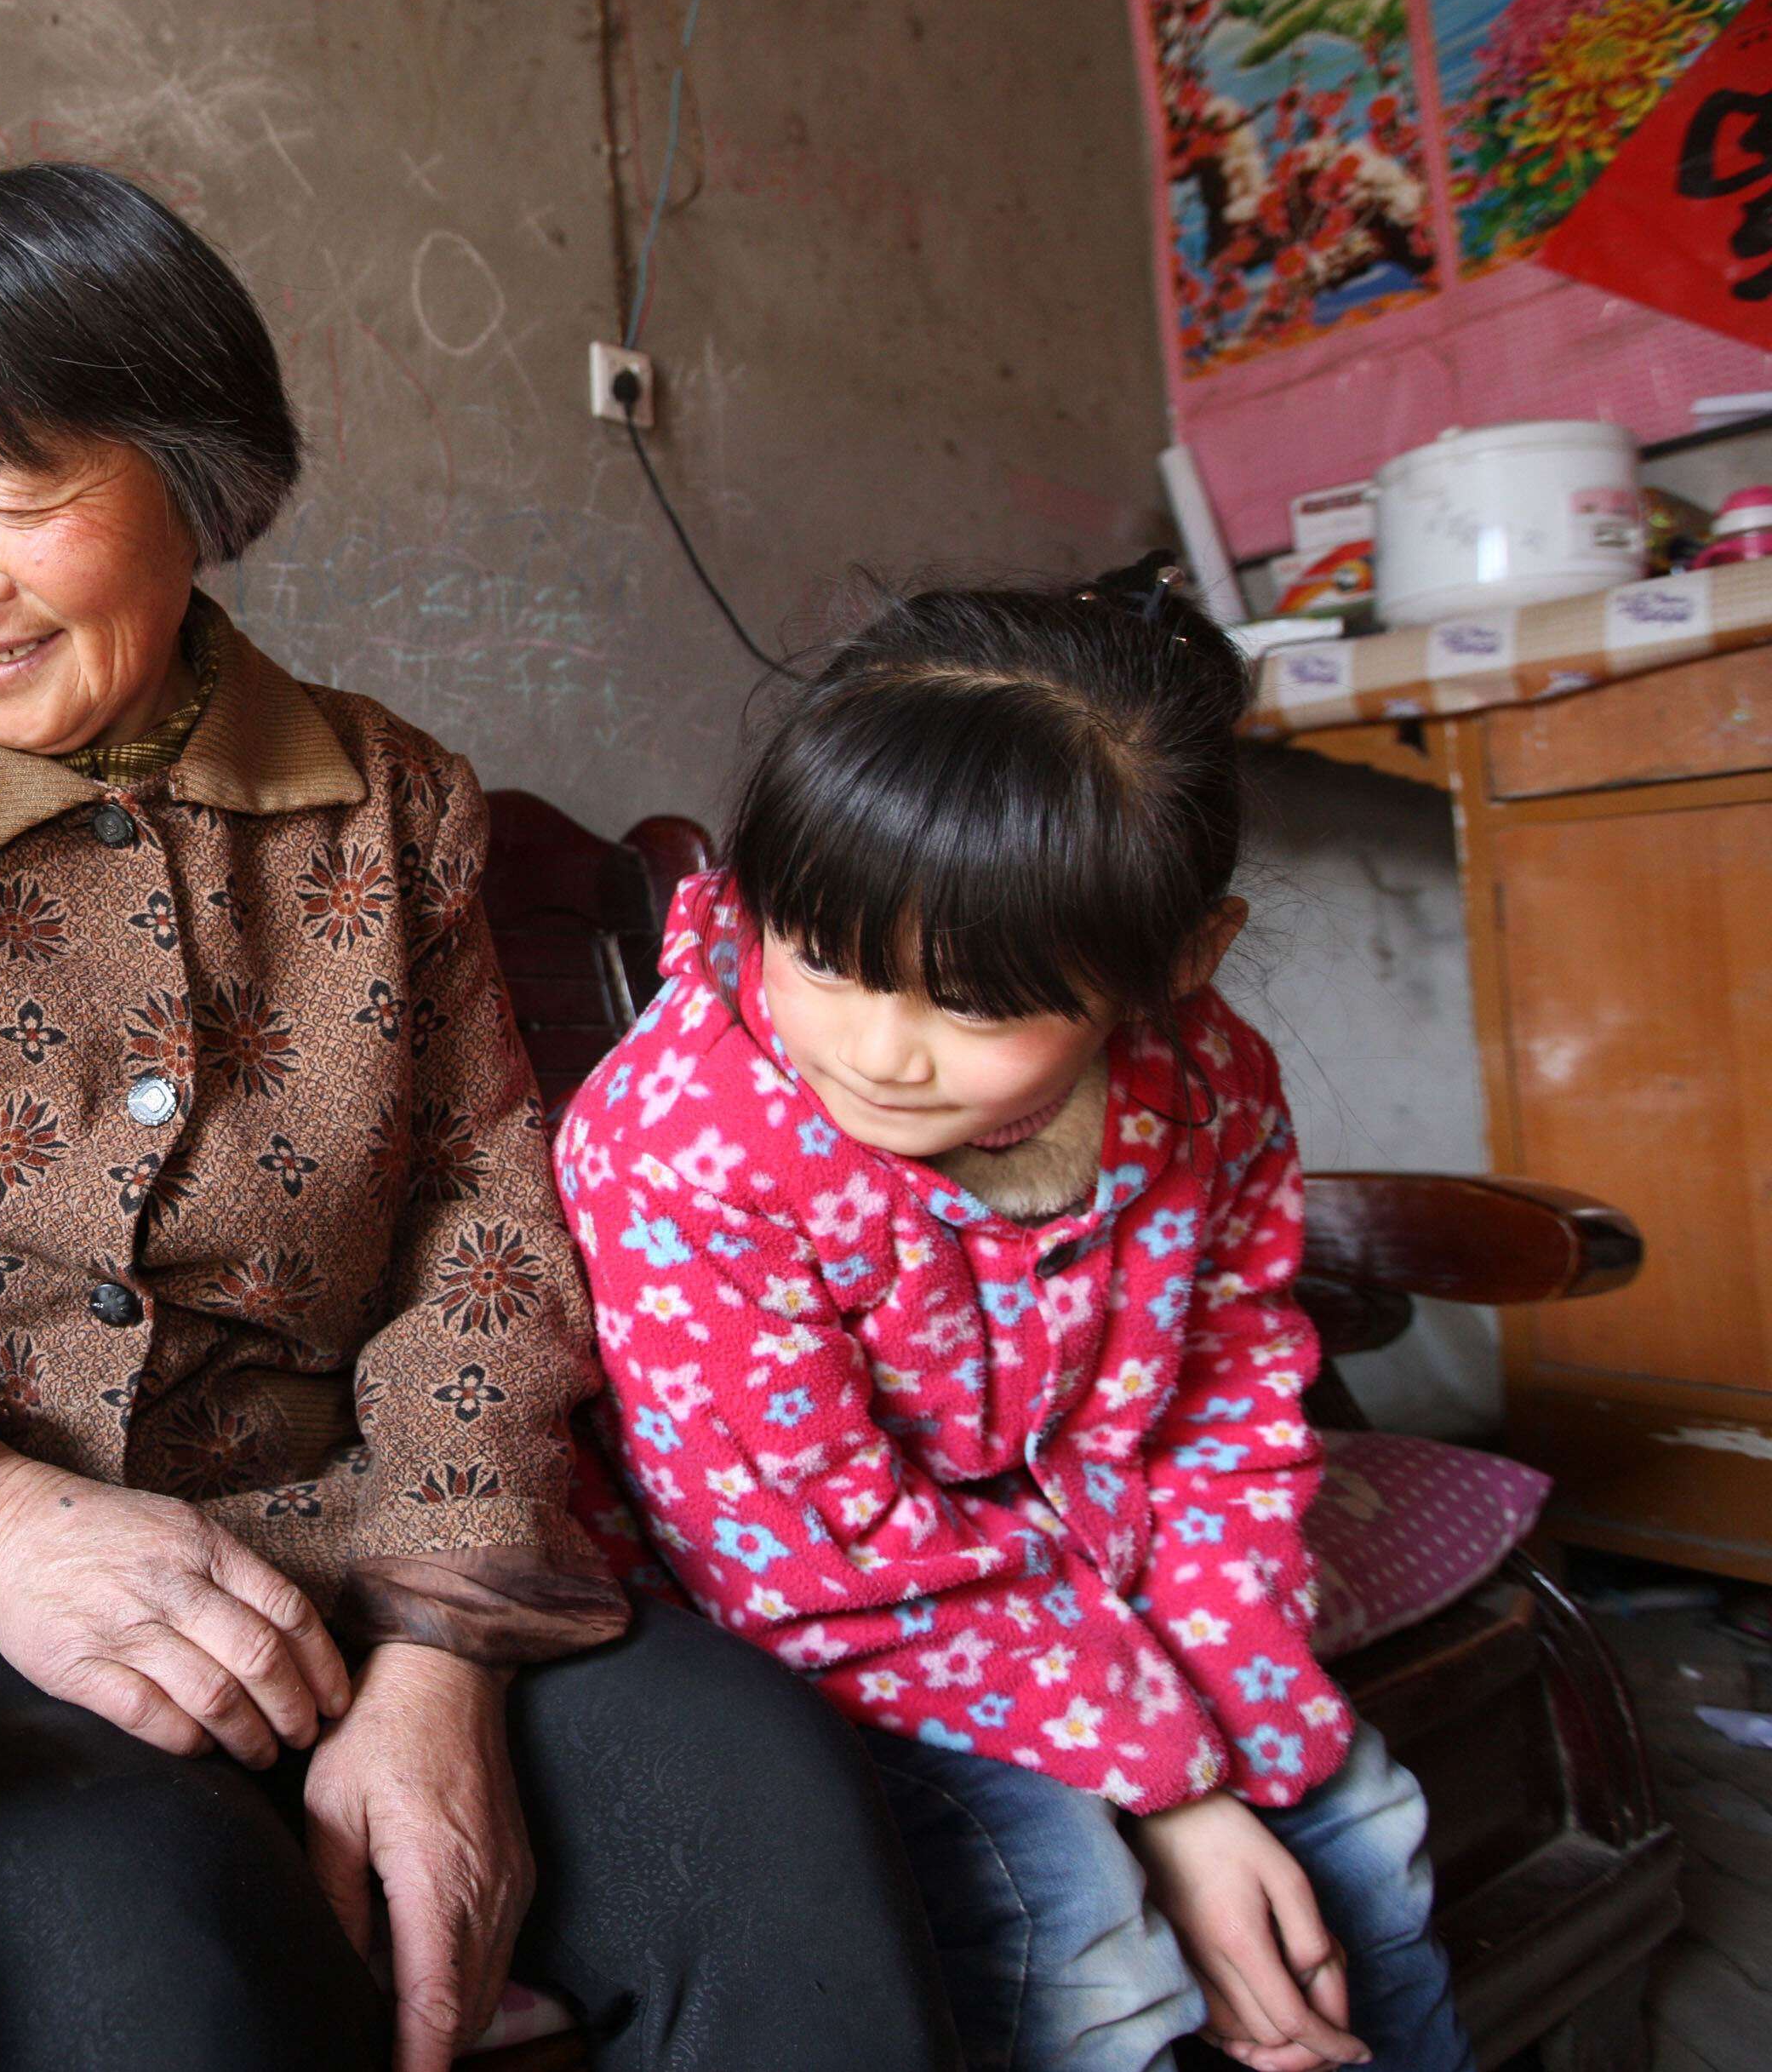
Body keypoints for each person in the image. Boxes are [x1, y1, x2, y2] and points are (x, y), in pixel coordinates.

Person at [0, 162, 952, 2072]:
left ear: (194, 478)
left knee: (765, 1810)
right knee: (160, 1962)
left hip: (346, 1553)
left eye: (16, 497)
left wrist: (440, 1653)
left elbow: (481, 1233)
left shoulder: (392, 802)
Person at [556, 558, 1472, 2072]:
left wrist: (1242, 1717)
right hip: (798, 1619)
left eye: (975, 1003)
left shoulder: (1207, 1083)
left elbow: (1226, 1405)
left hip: (1087, 1579)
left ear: (1178, 963)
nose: (879, 1051)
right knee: (1082, 1935)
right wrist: (1176, 1786)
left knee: (1354, 1820)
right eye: (822, 956)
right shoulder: (681, 1144)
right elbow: (813, 1564)